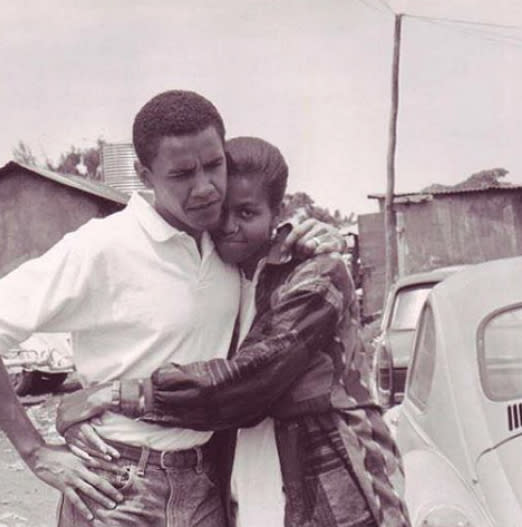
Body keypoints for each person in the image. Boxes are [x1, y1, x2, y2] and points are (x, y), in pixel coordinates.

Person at [0, 90, 342, 527]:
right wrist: (36, 452)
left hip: (208, 484)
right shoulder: (103, 246)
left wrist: (314, 236)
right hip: (118, 485)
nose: (205, 188)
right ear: (144, 174)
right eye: (182, 174)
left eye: (214, 165)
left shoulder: (224, 243)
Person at [57, 137, 411, 527]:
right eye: (221, 210)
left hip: (328, 467)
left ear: (277, 212)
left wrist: (112, 395)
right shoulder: (217, 274)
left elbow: (247, 382)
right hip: (242, 471)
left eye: (246, 212)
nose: (229, 226)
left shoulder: (316, 272)